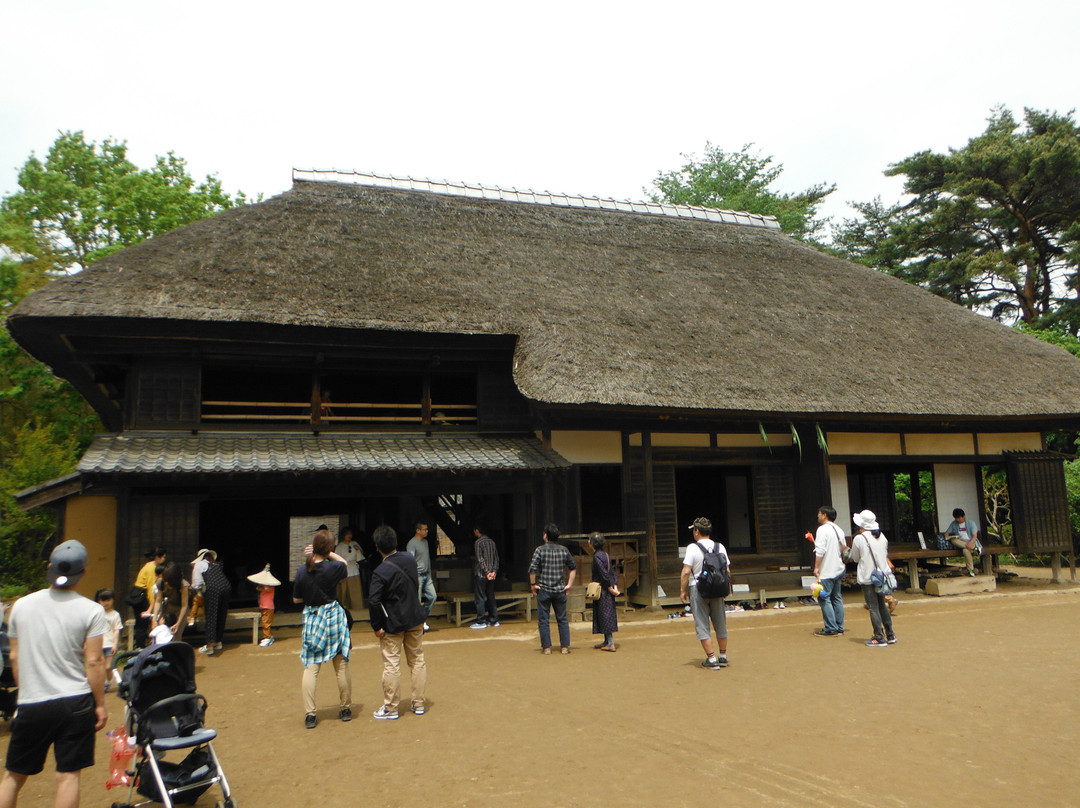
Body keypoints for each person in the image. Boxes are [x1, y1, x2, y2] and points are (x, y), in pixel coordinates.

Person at [0, 540, 107, 808]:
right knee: (68, 776)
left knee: (13, 776)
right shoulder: (92, 610)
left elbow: (13, 656)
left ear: (49, 568)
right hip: (75, 703)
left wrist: (25, 693)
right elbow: (94, 662)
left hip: (32, 701)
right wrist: (101, 704)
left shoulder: (19, 607)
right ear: (83, 572)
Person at [292, 528, 352, 729]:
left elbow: (296, 598)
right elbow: (344, 564)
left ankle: (310, 714)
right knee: (340, 665)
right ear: (329, 549)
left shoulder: (302, 570)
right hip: (333, 616)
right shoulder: (333, 567)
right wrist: (329, 553)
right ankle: (345, 708)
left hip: (313, 617)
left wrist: (316, 554)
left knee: (311, 666)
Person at [368, 525, 428, 720]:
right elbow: (417, 582)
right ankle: (418, 704)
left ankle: (391, 708)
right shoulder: (409, 559)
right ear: (395, 542)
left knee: (392, 664)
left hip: (393, 623)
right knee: (417, 661)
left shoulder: (380, 571)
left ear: (377, 547)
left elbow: (373, 601)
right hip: (415, 618)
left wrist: (377, 626)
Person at [680, 517, 730, 669]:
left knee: (702, 624)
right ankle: (723, 656)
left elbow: (686, 572)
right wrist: (725, 587)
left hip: (698, 588)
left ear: (697, 531)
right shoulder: (719, 546)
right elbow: (727, 570)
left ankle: (712, 658)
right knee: (720, 622)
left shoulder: (692, 548)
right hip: (717, 589)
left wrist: (683, 590)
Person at [849, 509, 897, 647]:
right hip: (882, 577)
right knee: (882, 605)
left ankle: (879, 637)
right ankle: (890, 634)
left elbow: (856, 558)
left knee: (873, 607)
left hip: (868, 577)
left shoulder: (859, 538)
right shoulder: (882, 537)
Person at [528, 523, 577, 655]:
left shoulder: (539, 550)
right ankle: (565, 647)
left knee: (543, 620)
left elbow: (533, 569)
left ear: (546, 535)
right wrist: (569, 584)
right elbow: (573, 568)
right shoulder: (564, 550)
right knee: (562, 618)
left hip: (544, 589)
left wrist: (533, 584)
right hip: (560, 590)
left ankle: (547, 648)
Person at [812, 505, 848, 637]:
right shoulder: (839, 529)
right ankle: (839, 626)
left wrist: (816, 567)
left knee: (824, 598)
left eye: (819, 513)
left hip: (827, 570)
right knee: (837, 597)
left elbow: (820, 551)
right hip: (838, 568)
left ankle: (830, 628)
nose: (818, 515)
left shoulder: (822, 530)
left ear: (824, 515)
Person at [589, 533, 620, 651]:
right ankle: (606, 640)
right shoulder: (605, 555)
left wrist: (609, 587)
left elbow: (603, 573)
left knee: (605, 615)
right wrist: (615, 584)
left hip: (603, 589)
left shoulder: (597, 556)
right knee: (604, 614)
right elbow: (612, 571)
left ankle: (610, 643)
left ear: (593, 544)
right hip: (607, 587)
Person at [198, 552, 232, 657]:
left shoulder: (200, 564)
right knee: (221, 615)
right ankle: (218, 642)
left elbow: (197, 582)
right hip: (226, 587)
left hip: (213, 589)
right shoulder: (217, 565)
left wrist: (198, 592)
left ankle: (209, 646)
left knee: (211, 616)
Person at [406, 521, 437, 631]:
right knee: (417, 601)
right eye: (424, 529)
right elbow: (410, 561)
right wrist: (414, 576)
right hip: (417, 575)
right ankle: (418, 623)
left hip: (427, 575)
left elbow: (427, 559)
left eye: (427, 529)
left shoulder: (425, 542)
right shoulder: (412, 543)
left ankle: (422, 619)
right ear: (418, 530)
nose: (427, 531)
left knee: (433, 596)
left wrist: (429, 573)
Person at [132, 547, 166, 647]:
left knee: (142, 624)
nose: (164, 559)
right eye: (163, 557)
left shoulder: (149, 566)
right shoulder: (152, 569)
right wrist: (153, 609)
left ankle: (142, 645)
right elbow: (152, 591)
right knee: (142, 624)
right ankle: (140, 647)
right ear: (157, 557)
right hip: (141, 597)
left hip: (139, 595)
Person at [152, 562, 190, 643]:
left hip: (180, 609)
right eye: (165, 580)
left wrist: (178, 623)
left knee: (175, 634)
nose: (166, 583)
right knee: (163, 630)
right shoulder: (161, 582)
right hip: (168, 607)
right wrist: (154, 618)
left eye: (168, 581)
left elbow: (184, 605)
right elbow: (158, 601)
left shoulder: (183, 585)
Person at [471, 525, 500, 629]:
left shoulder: (478, 543)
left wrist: (487, 572)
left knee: (479, 597)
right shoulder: (492, 542)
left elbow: (480, 559)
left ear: (477, 531)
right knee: (491, 596)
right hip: (492, 575)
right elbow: (496, 559)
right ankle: (494, 620)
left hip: (481, 574)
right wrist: (494, 572)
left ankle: (481, 621)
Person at [247, 565, 280, 647]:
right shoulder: (262, 587)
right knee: (265, 622)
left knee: (266, 623)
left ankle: (267, 637)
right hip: (264, 606)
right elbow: (259, 588)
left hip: (268, 607)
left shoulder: (270, 586)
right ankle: (268, 636)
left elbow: (266, 588)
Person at [94, 589, 123, 679]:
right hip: (98, 644)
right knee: (99, 666)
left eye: (108, 600)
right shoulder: (97, 614)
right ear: (99, 601)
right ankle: (102, 683)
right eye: (103, 600)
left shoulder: (115, 615)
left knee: (108, 666)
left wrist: (115, 644)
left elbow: (116, 630)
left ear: (113, 600)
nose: (106, 603)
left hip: (109, 644)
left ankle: (108, 681)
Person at [335, 526, 365, 613]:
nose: (349, 536)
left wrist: (358, 549)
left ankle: (358, 608)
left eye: (350, 534)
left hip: (354, 568)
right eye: (347, 534)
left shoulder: (354, 543)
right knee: (344, 591)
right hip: (345, 569)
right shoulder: (339, 547)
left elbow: (360, 555)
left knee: (355, 590)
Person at [944, 508, 980, 577]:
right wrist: (948, 536)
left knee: (965, 551)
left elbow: (974, 536)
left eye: (959, 518)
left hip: (971, 541)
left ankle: (970, 570)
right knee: (953, 540)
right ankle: (974, 549)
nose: (957, 520)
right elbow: (947, 533)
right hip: (960, 542)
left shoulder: (971, 523)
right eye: (956, 518)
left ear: (963, 516)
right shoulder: (954, 523)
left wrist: (971, 543)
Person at [188, 548, 213, 628]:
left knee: (197, 602)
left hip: (202, 589)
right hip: (211, 590)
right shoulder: (212, 565)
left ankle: (192, 618)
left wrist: (196, 588)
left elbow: (197, 581)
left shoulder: (198, 565)